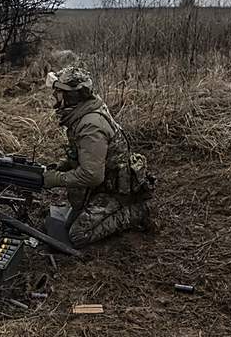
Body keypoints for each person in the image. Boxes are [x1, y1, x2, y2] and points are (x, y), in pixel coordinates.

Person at [42, 66, 155, 248]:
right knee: (72, 215)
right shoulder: (84, 112)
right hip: (105, 181)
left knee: (78, 235)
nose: (55, 96)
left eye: (59, 92)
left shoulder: (90, 125)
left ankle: (137, 211)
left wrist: (55, 179)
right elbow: (89, 155)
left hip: (116, 191)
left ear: (72, 96)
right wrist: (62, 165)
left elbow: (92, 175)